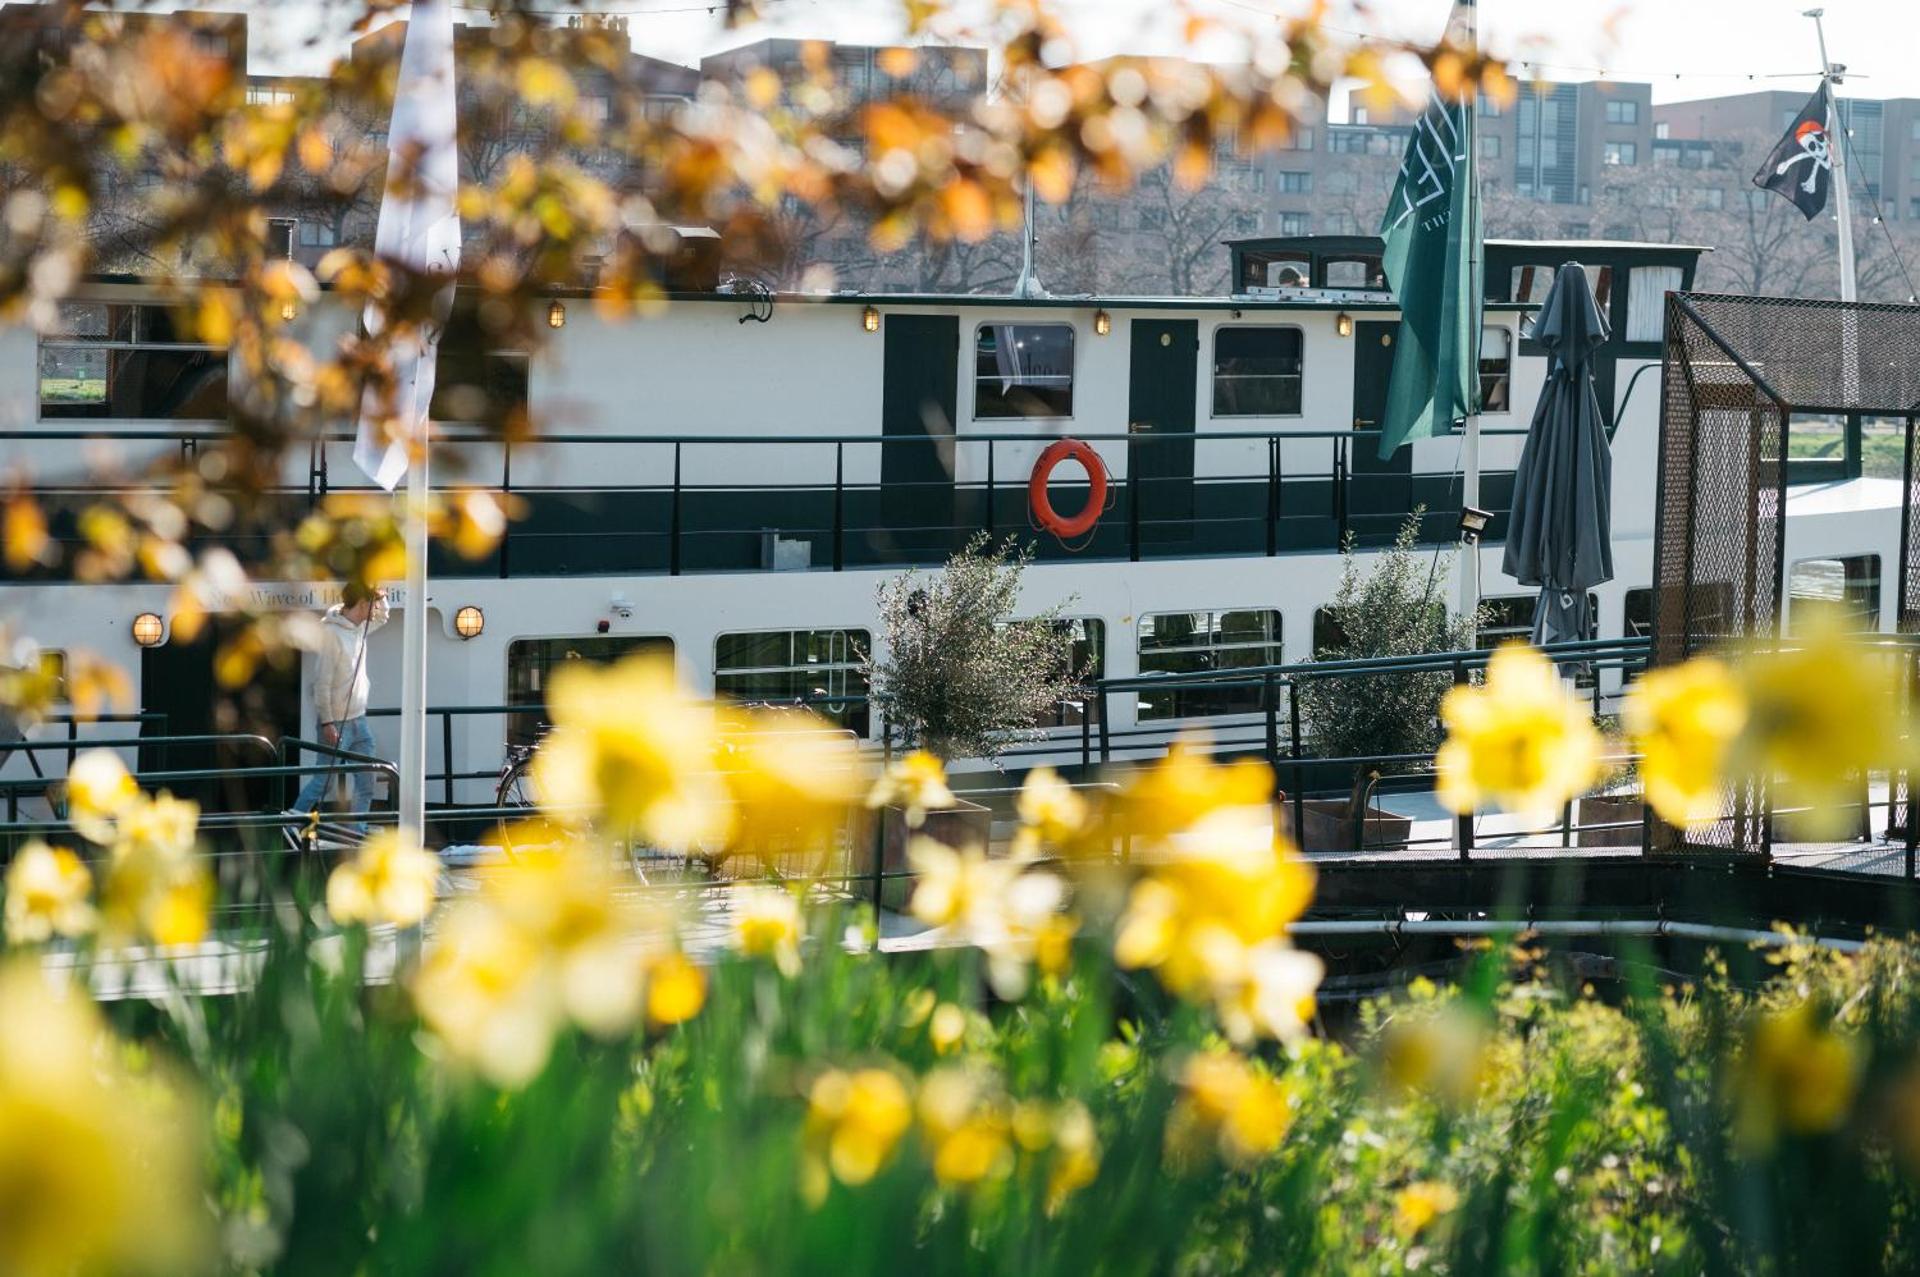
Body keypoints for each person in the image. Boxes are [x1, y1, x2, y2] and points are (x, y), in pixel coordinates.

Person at [285, 583, 389, 845]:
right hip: (336, 723)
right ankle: (290, 822)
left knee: (366, 780)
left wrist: (382, 596)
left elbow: (384, 617)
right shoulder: (333, 634)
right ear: (361, 605)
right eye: (371, 604)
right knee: (324, 782)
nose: (374, 609)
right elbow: (322, 683)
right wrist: (328, 722)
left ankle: (355, 832)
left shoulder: (358, 629)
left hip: (358, 719)